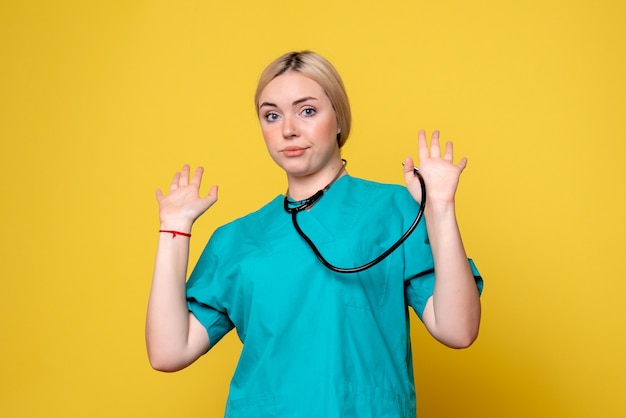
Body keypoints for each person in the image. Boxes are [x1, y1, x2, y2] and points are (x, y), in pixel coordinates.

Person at [146, 50, 483, 417]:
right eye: (271, 115)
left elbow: (458, 330)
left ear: (338, 118)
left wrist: (441, 208)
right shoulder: (237, 239)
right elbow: (168, 352)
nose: (288, 129)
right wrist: (173, 229)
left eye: (307, 111)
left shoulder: (395, 209)